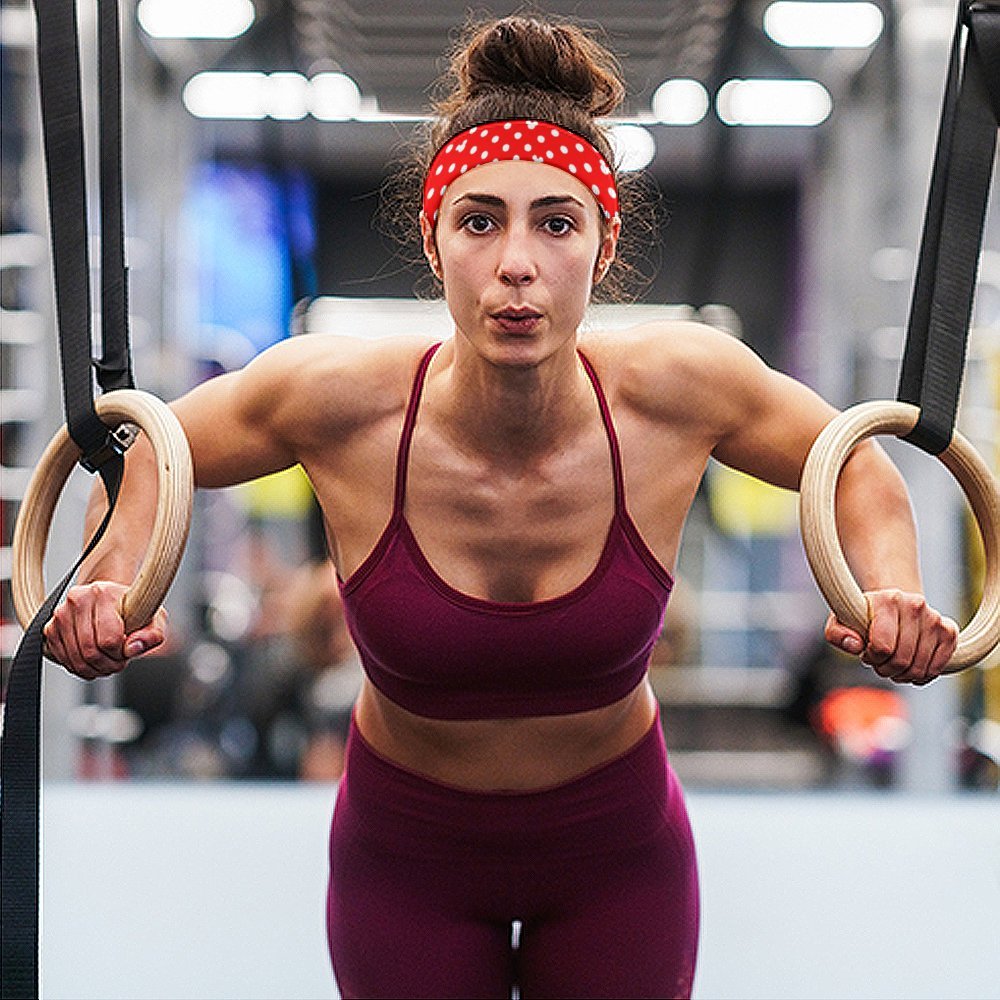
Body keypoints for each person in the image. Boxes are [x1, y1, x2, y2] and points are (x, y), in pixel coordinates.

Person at [43, 14, 960, 1000]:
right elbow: (150, 453)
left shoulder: (680, 385)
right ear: (433, 245)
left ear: (602, 249)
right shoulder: (332, 397)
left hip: (614, 851)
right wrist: (110, 584)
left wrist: (892, 591)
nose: (515, 262)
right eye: (479, 221)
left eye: (555, 223)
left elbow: (855, 465)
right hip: (408, 856)